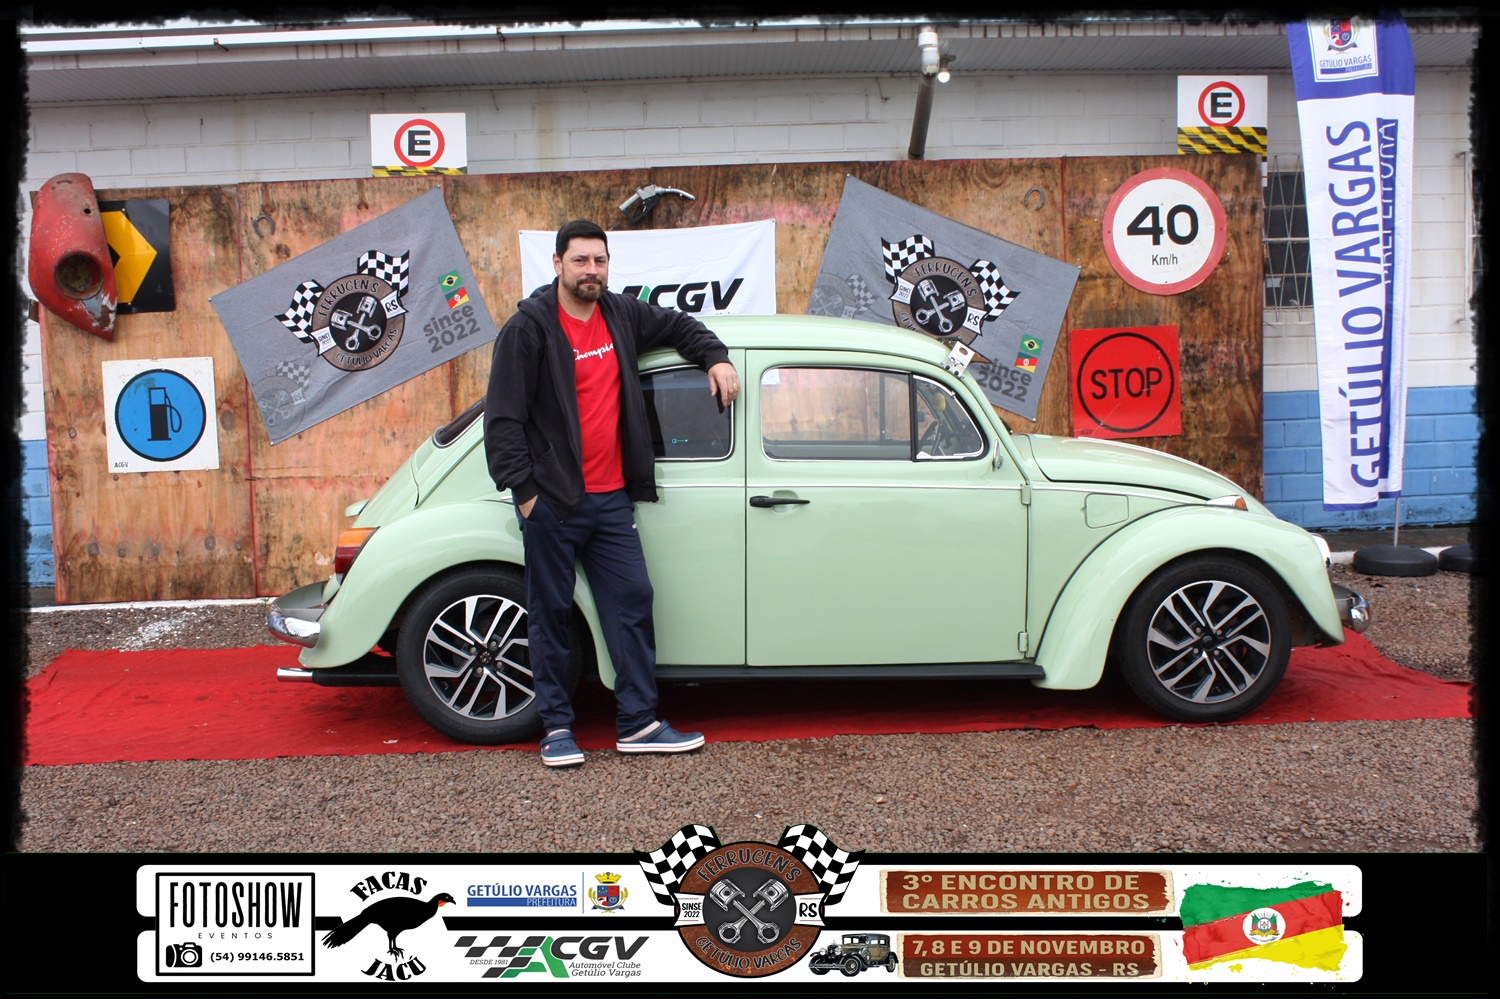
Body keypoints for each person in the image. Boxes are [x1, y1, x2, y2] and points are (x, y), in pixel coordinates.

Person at [483, 219, 740, 767]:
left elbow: (680, 324)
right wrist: (527, 494)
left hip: (612, 498)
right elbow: (503, 420)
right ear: (558, 264)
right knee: (551, 613)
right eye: (580, 260)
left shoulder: (620, 314)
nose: (591, 270)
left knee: (632, 602)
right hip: (554, 502)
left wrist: (715, 357)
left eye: (599, 261)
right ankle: (557, 729)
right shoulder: (529, 329)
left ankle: (638, 723)